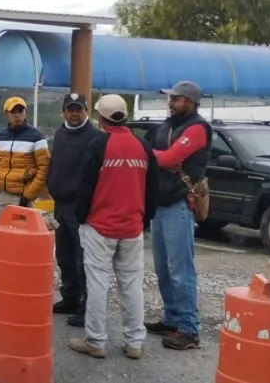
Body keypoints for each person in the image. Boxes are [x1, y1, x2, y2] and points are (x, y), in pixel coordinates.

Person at [67, 94, 157, 360]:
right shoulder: (143, 146)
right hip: (132, 227)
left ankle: (95, 340)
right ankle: (134, 342)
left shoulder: (99, 144)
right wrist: (143, 220)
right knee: (131, 285)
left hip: (101, 227)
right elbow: (152, 190)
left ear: (101, 117)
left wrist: (81, 218)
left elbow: (85, 187)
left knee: (97, 283)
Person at [144, 81, 211, 350]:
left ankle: (189, 329)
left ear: (191, 102)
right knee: (163, 268)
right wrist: (155, 154)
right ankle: (172, 319)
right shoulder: (168, 125)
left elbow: (169, 159)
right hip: (161, 204)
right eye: (170, 98)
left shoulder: (197, 127)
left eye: (177, 99)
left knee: (181, 270)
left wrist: (151, 154)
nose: (170, 102)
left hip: (179, 204)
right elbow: (157, 154)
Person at [47, 92, 102, 327]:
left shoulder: (95, 137)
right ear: (64, 111)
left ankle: (87, 307)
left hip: (80, 208)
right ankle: (70, 297)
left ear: (86, 111)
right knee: (65, 256)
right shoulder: (60, 133)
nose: (75, 113)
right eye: (71, 108)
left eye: (79, 108)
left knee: (83, 259)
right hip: (60, 205)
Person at [0, 96, 50, 219]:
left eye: (20, 111)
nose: (17, 115)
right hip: (0, 195)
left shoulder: (37, 137)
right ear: (6, 114)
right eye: (13, 112)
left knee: (21, 236)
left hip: (23, 197)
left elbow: (44, 168)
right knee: (0, 236)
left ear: (25, 113)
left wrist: (28, 195)